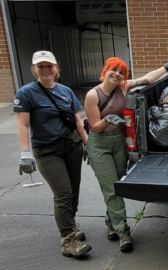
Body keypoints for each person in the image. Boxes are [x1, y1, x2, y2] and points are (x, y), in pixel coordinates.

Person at [84, 57, 168, 252]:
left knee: (116, 185)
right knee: (111, 189)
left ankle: (111, 222)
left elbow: (147, 79)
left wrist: (166, 67)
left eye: (122, 72)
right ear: (106, 70)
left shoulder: (123, 87)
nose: (117, 74)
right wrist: (107, 121)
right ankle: (124, 233)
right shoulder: (93, 95)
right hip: (100, 144)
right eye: (114, 70)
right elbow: (95, 126)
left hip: (119, 143)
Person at [13, 50, 91, 258]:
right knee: (63, 193)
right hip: (47, 151)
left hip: (72, 147)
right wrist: (25, 153)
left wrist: (88, 144)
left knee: (73, 191)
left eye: (50, 66)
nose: (46, 70)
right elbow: (23, 125)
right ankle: (68, 240)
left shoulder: (66, 91)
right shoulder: (26, 93)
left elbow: (77, 121)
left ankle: (71, 225)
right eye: (41, 66)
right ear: (34, 69)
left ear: (56, 68)